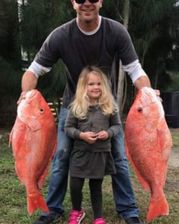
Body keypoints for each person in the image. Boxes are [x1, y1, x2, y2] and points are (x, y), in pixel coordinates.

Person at [19, 1, 154, 224]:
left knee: (119, 157)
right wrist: (25, 95)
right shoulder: (60, 36)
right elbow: (34, 70)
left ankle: (128, 209)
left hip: (106, 107)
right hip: (72, 107)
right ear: (73, 3)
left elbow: (134, 69)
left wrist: (149, 94)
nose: (87, 3)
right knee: (61, 156)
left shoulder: (116, 31)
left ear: (101, 1)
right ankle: (52, 208)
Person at [64, 66, 121, 224]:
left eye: (99, 83)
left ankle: (98, 217)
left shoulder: (110, 106)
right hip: (80, 152)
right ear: (83, 86)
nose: (95, 87)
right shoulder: (76, 107)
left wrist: (108, 133)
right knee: (75, 185)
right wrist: (81, 135)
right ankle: (77, 211)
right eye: (91, 84)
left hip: (100, 153)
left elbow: (117, 126)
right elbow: (68, 128)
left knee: (96, 187)